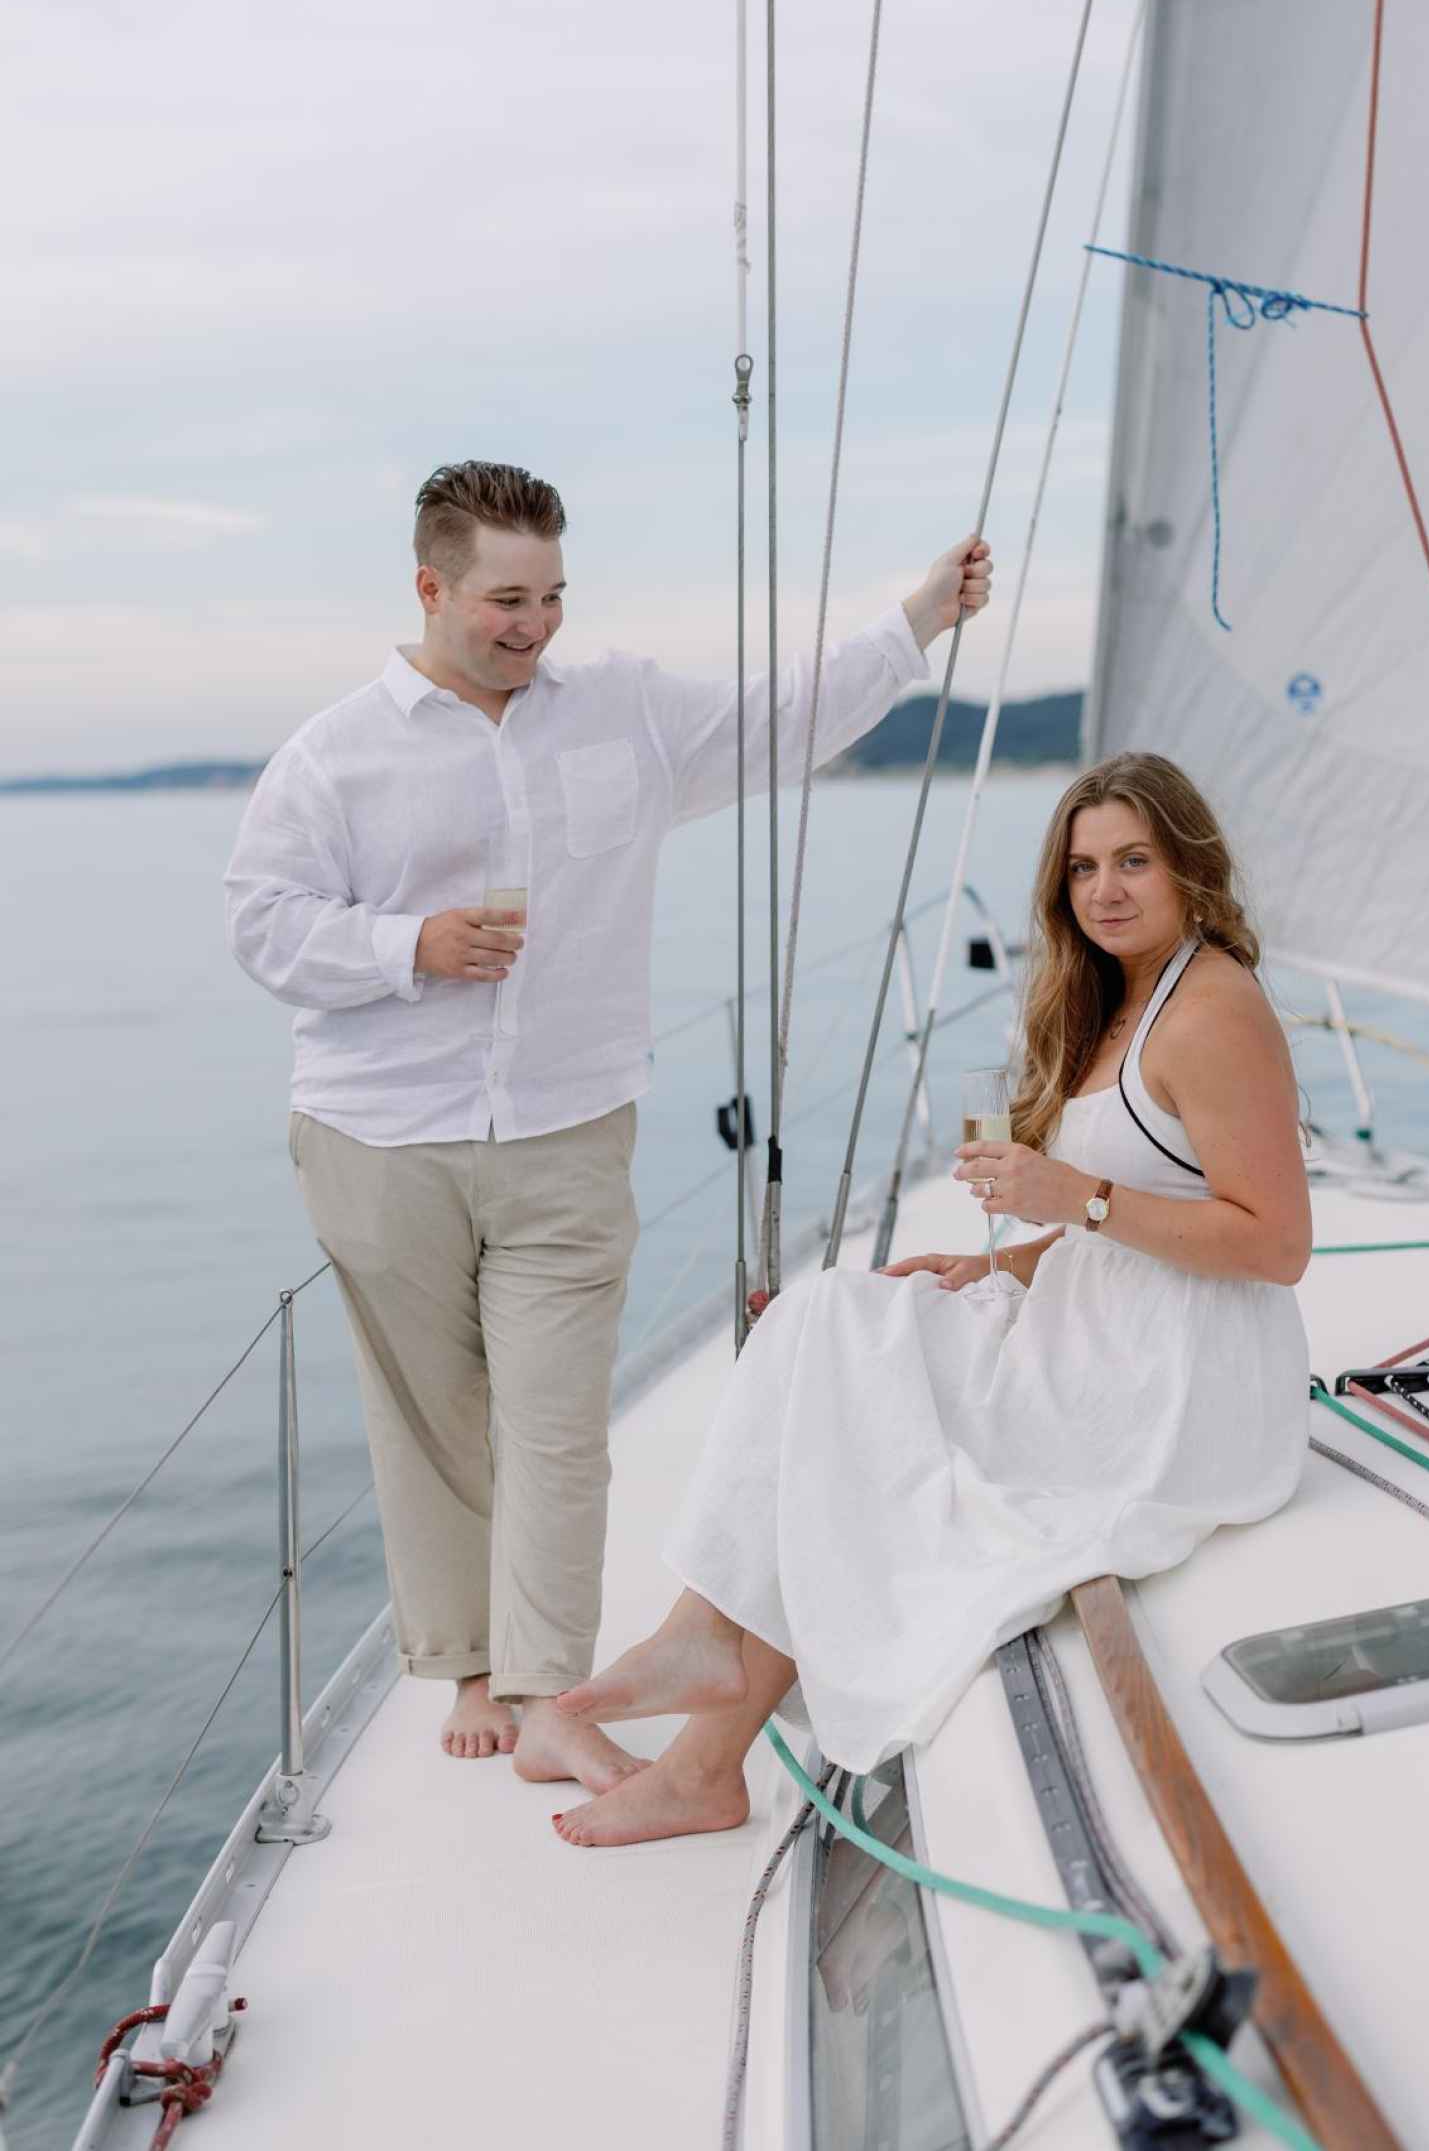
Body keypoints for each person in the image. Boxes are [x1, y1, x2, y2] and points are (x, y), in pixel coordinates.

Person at [225, 459, 991, 1786]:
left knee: (558, 1422)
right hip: (379, 1133)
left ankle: (543, 1691)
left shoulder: (624, 711)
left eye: (552, 596)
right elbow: (262, 922)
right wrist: (411, 944)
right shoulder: (334, 755)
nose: (535, 625)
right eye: (505, 600)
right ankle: (467, 1661)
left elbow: (784, 715)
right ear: (431, 587)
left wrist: (916, 618)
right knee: (434, 1419)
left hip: (569, 1124)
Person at [548, 751, 1311, 1845]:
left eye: (1134, 860)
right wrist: (1000, 1261)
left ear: (1190, 864)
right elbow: (1128, 1221)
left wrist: (1074, 1198)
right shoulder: (1117, 999)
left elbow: (1276, 1244)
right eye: (1083, 867)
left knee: (861, 1414)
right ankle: (702, 1659)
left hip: (1180, 1382)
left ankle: (704, 1740)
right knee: (822, 1319)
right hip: (1097, 1327)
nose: (1104, 889)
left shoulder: (1213, 1008)